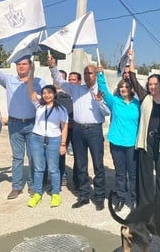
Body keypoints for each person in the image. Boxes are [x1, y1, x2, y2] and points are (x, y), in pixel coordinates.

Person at [47, 55, 110, 210]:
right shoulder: (76, 89)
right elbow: (59, 81)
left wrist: (99, 101)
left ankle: (100, 196)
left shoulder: (102, 91)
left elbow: (107, 112)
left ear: (96, 75)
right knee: (81, 165)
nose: (88, 76)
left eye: (91, 73)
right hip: (78, 130)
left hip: (95, 131)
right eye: (86, 73)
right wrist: (53, 67)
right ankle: (83, 195)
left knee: (98, 165)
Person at [0, 47, 46, 200]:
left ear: (30, 66)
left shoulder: (39, 82)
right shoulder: (9, 80)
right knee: (17, 157)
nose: (21, 67)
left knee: (33, 156)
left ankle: (32, 185)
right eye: (19, 65)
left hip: (33, 125)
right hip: (15, 125)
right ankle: (16, 187)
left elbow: (47, 97)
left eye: (24, 64)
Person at [128, 49, 160, 207]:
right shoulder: (145, 97)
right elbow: (133, 79)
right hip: (146, 140)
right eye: (150, 84)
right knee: (145, 175)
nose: (152, 86)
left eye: (156, 84)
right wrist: (132, 59)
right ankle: (145, 205)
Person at [97, 64, 140, 211]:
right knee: (120, 173)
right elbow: (103, 90)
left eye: (127, 87)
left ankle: (134, 199)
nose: (124, 89)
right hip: (116, 142)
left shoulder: (138, 104)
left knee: (133, 174)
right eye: (121, 87)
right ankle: (121, 198)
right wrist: (100, 75)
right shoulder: (115, 101)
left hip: (132, 144)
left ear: (131, 89)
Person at [26, 65, 68, 208]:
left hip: (54, 140)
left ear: (54, 94)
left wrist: (63, 144)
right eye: (44, 93)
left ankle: (56, 194)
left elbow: (64, 127)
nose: (46, 95)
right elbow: (31, 91)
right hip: (37, 139)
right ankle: (37, 193)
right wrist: (31, 74)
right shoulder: (39, 105)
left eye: (49, 92)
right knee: (38, 168)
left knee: (53, 169)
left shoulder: (61, 109)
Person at [55, 70, 73, 187]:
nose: (58, 81)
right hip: (53, 130)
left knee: (62, 153)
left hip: (68, 128)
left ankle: (63, 176)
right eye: (57, 78)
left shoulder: (67, 95)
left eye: (61, 78)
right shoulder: (48, 94)